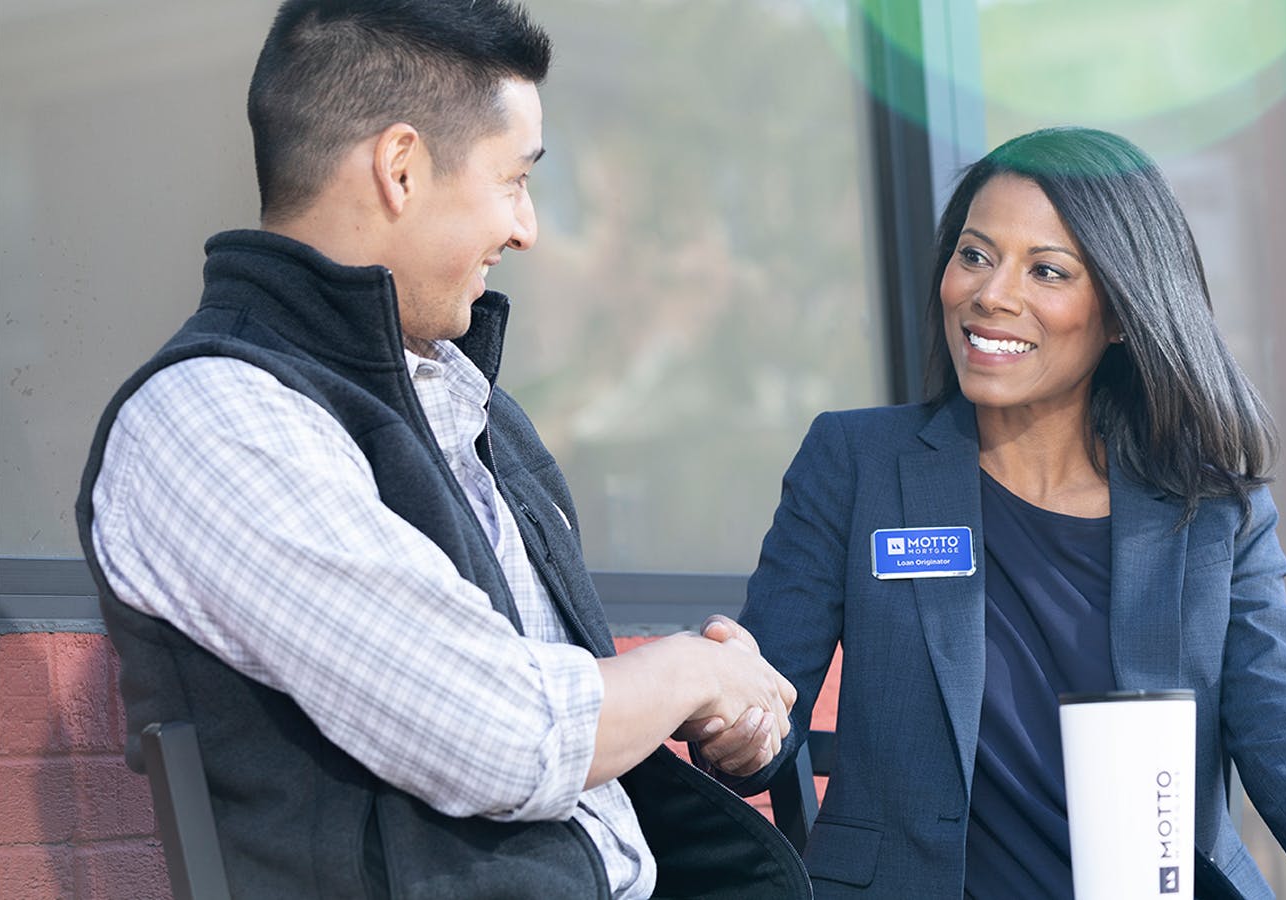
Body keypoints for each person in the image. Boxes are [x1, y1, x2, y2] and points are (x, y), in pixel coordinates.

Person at [75, 1, 806, 897]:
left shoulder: (475, 410)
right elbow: (501, 736)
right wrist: (689, 672)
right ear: (403, 168)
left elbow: (554, 703)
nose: (528, 228)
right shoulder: (212, 421)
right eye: (514, 180)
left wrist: (717, 702)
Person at [708, 127, 1286, 898]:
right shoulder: (855, 462)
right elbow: (767, 707)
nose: (991, 293)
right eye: (975, 254)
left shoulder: (1211, 513)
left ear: (1122, 313)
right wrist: (740, 727)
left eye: (1048, 271)